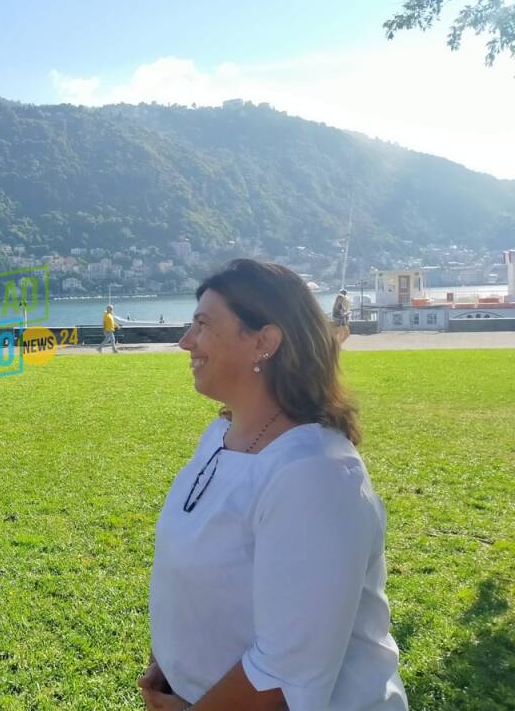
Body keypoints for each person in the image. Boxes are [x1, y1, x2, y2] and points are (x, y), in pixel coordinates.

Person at [141, 259, 407, 711]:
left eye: (203, 324)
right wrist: (170, 664)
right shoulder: (219, 437)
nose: (186, 341)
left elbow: (287, 674)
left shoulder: (315, 474)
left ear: (263, 341)